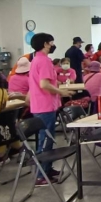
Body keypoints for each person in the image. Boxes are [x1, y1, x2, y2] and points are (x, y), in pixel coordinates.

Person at [28, 33, 73, 186]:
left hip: (41, 104)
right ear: (46, 44)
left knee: (47, 138)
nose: (53, 45)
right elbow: (44, 84)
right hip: (45, 105)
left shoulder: (36, 59)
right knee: (46, 140)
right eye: (51, 42)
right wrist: (61, 92)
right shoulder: (44, 61)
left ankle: (47, 169)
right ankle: (41, 175)